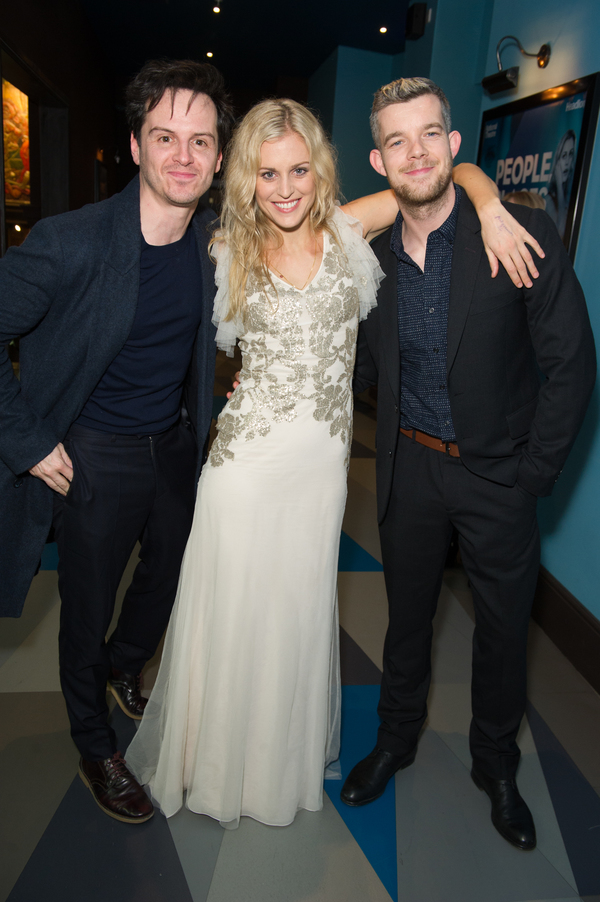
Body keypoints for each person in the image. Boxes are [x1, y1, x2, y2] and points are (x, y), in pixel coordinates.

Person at [125, 98, 544, 829]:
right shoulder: (225, 250)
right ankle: (212, 765)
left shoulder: (348, 227)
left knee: (294, 613)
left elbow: (450, 173)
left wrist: (493, 207)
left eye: (297, 170)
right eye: (266, 173)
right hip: (244, 471)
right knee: (233, 615)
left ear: (318, 171)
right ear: (246, 178)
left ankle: (274, 765)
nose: (284, 188)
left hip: (319, 475)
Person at [340, 78, 596, 852]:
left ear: (453, 145)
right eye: (396, 140)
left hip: (498, 481)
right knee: (406, 621)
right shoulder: (369, 259)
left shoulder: (515, 233)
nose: (414, 151)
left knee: (501, 633)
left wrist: (532, 476)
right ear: (379, 159)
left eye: (428, 135)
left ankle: (496, 764)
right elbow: (353, 363)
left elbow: (572, 365)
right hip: (408, 470)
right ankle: (396, 738)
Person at [0, 59, 235, 824]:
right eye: (164, 136)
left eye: (200, 142)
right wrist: (30, 442)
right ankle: (95, 742)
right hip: (91, 454)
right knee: (85, 608)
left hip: (172, 444)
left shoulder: (209, 247)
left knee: (169, 574)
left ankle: (126, 667)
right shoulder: (69, 243)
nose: (182, 156)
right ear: (135, 145)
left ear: (219, 158)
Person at [546, 129, 576, 238]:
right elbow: (561, 234)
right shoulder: (549, 200)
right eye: (564, 156)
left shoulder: (572, 196)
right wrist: (559, 185)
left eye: (570, 154)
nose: (567, 162)